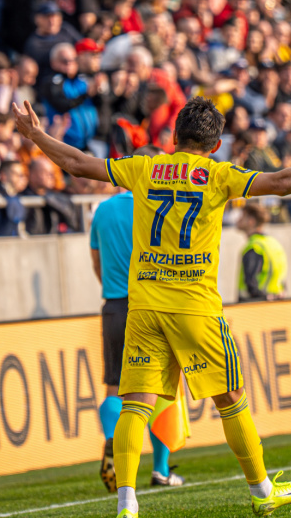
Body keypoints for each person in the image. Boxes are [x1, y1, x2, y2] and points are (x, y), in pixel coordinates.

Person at [13, 95, 291, 518]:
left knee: (136, 403)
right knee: (231, 400)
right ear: (216, 145)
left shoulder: (143, 168)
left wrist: (35, 134)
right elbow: (280, 182)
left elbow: (77, 164)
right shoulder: (218, 174)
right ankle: (262, 491)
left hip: (145, 305)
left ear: (173, 137)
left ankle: (127, 506)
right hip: (195, 306)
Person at [90, 145, 186, 493]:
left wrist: (115, 290)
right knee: (161, 390)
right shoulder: (161, 205)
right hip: (154, 303)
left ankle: (113, 440)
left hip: (114, 305)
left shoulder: (103, 210)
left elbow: (96, 263)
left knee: (115, 386)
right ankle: (160, 469)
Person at [236, 203, 287, 302]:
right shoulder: (273, 243)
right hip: (277, 304)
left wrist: (263, 297)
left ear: (251, 222)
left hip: (255, 306)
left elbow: (250, 283)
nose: (238, 220)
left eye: (242, 216)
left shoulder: (254, 247)